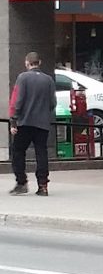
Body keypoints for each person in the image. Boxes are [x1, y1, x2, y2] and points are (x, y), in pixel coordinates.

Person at [9, 52, 57, 196]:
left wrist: (14, 120)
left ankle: (21, 182)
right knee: (41, 152)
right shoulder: (48, 80)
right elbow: (52, 103)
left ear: (27, 62)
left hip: (25, 122)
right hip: (42, 123)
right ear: (39, 62)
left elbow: (19, 100)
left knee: (18, 151)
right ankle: (43, 185)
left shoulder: (23, 78)